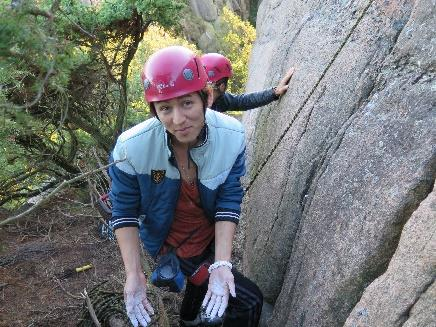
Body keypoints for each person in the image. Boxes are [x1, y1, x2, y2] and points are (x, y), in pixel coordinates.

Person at [108, 45, 263, 327]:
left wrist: (223, 262)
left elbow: (229, 198)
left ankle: (188, 319)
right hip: (176, 245)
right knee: (251, 300)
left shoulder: (230, 137)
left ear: (207, 96)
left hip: (209, 233)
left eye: (187, 103)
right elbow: (124, 212)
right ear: (154, 110)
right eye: (165, 108)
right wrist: (134, 274)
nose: (178, 120)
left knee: (205, 285)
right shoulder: (132, 149)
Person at [201, 53, 294, 112]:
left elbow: (243, 101)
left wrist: (274, 92)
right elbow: (242, 101)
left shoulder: (217, 101)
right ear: (222, 86)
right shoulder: (203, 110)